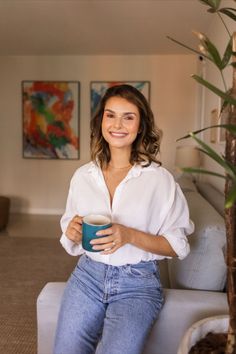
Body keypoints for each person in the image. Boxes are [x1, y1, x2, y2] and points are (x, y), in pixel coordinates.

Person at [53, 84, 194, 354]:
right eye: (110, 115)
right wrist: (70, 231)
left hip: (137, 284)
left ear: (140, 125)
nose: (118, 124)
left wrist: (128, 235)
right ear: (101, 120)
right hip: (87, 276)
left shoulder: (159, 180)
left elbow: (178, 246)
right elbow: (69, 223)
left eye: (128, 116)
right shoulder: (83, 176)